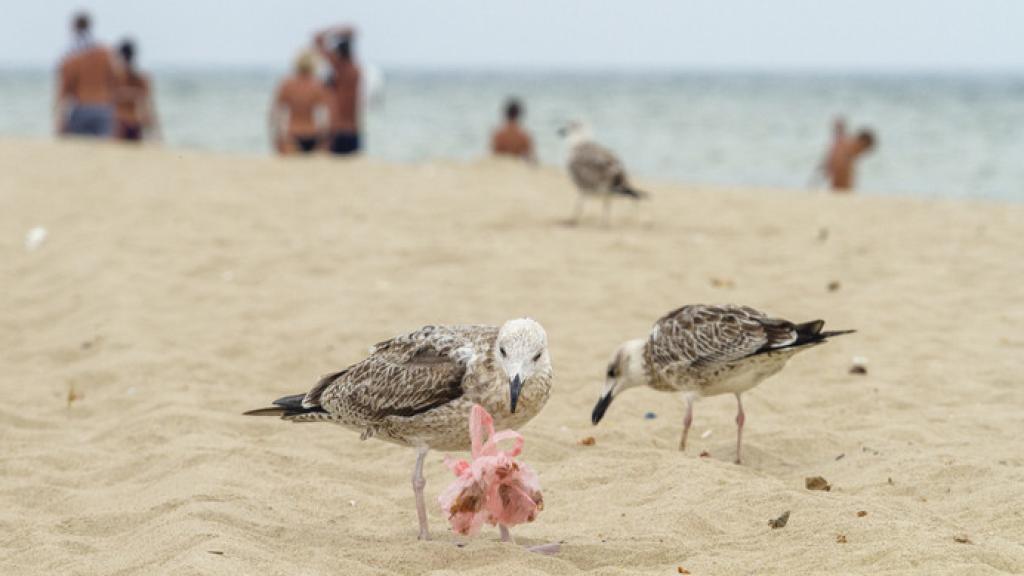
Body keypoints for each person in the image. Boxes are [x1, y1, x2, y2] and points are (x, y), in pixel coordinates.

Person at [54, 12, 121, 138]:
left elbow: (64, 91)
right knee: (103, 149)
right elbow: (115, 80)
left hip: (81, 108)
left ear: (73, 28)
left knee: (79, 150)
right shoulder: (105, 53)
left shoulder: (71, 57)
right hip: (103, 107)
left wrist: (59, 120)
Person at [268, 52, 329, 154]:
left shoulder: (287, 85)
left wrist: (277, 135)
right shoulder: (317, 85)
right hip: (312, 133)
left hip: (293, 133)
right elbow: (324, 115)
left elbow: (275, 112)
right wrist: (324, 138)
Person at [314, 26, 362, 155]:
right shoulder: (356, 70)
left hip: (337, 129)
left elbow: (317, 39)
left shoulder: (338, 69)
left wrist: (331, 31)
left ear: (338, 55)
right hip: (354, 129)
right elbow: (353, 31)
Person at [113, 39, 159, 142]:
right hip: (134, 121)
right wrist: (156, 132)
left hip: (119, 121)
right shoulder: (141, 77)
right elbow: (148, 105)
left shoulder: (116, 76)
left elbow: (107, 98)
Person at [822, 118, 876, 191]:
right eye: (863, 150)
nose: (861, 154)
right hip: (839, 191)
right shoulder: (846, 151)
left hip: (838, 189)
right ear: (861, 143)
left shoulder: (843, 143)